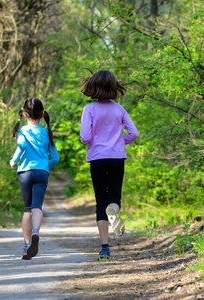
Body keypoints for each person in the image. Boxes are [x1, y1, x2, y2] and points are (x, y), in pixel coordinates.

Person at [79, 69, 139, 261]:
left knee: (100, 201)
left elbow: (85, 137)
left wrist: (92, 140)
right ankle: (114, 211)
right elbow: (134, 133)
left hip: (97, 159)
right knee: (114, 198)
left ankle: (105, 249)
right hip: (116, 158)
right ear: (114, 87)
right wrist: (120, 142)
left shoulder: (89, 109)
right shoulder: (119, 109)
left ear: (93, 87)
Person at [9, 97, 59, 260]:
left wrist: (14, 161)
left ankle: (26, 246)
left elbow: (21, 147)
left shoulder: (22, 131)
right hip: (41, 173)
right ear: (42, 114)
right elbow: (55, 158)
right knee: (37, 206)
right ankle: (36, 231)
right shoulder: (46, 132)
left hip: (25, 172)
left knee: (27, 209)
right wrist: (44, 167)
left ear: (24, 114)